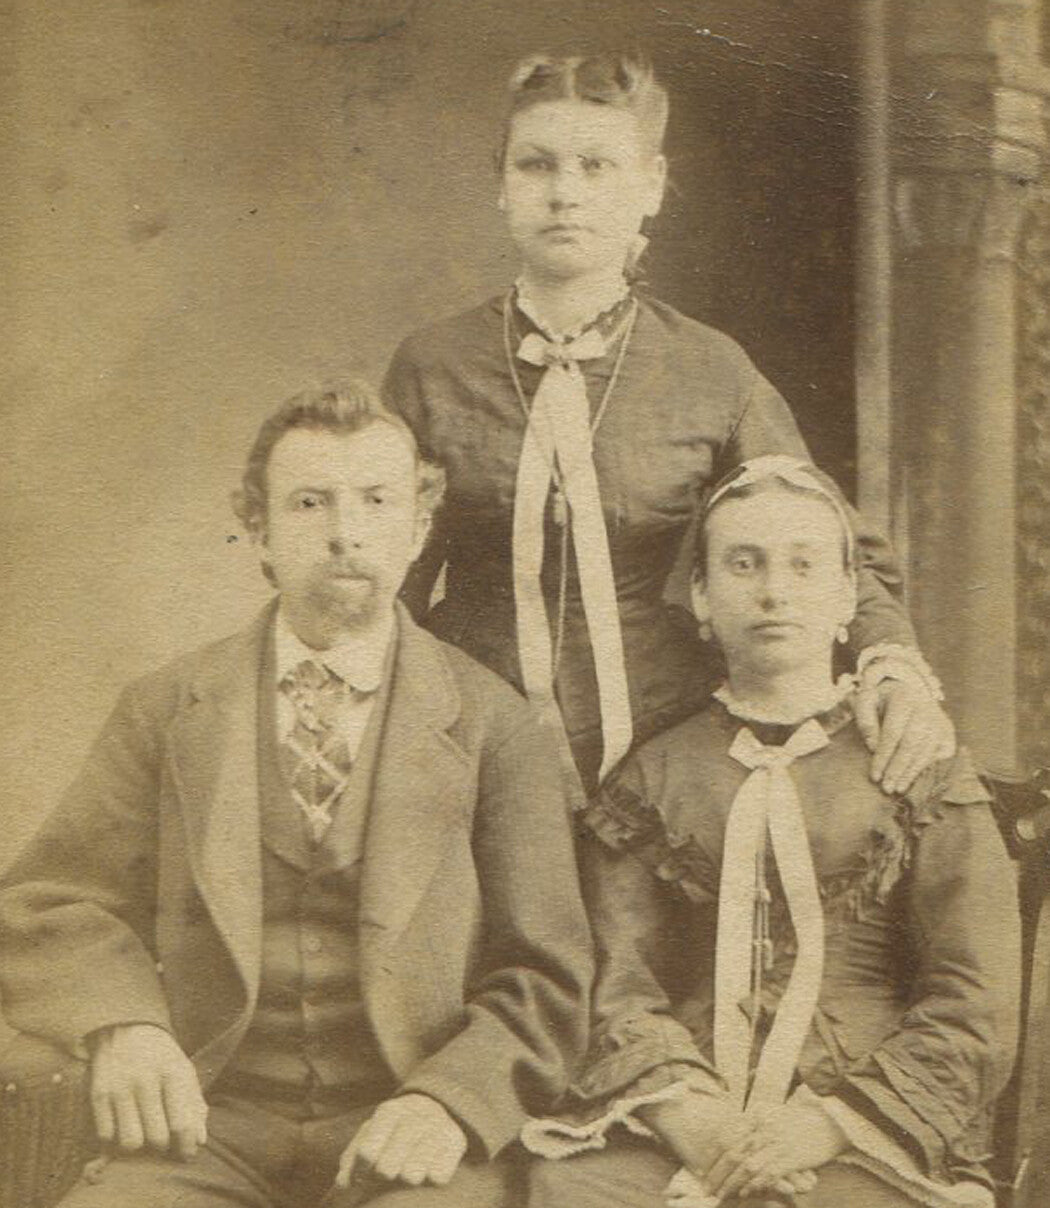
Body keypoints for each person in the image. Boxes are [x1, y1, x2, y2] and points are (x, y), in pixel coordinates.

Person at [0, 384, 593, 1208]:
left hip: (408, 1128)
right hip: (207, 1127)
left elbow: (545, 974)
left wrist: (449, 1100)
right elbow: (50, 900)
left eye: (377, 502)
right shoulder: (168, 708)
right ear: (261, 532)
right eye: (310, 503)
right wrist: (122, 1024)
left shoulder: (495, 725)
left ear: (419, 529)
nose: (347, 534)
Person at [382, 51, 953, 798]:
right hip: (471, 739)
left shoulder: (709, 369)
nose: (564, 194)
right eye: (536, 166)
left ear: (650, 187)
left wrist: (895, 668)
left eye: (596, 167)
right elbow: (383, 575)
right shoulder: (432, 365)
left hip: (665, 745)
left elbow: (835, 543)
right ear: (501, 183)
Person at [522, 455, 1020, 1208]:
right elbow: (614, 980)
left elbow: (972, 997)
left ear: (849, 594)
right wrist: (694, 1119)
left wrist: (825, 1127)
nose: (774, 591)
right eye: (743, 564)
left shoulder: (924, 772)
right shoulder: (652, 777)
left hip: (864, 1128)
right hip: (681, 1121)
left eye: (804, 564)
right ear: (701, 595)